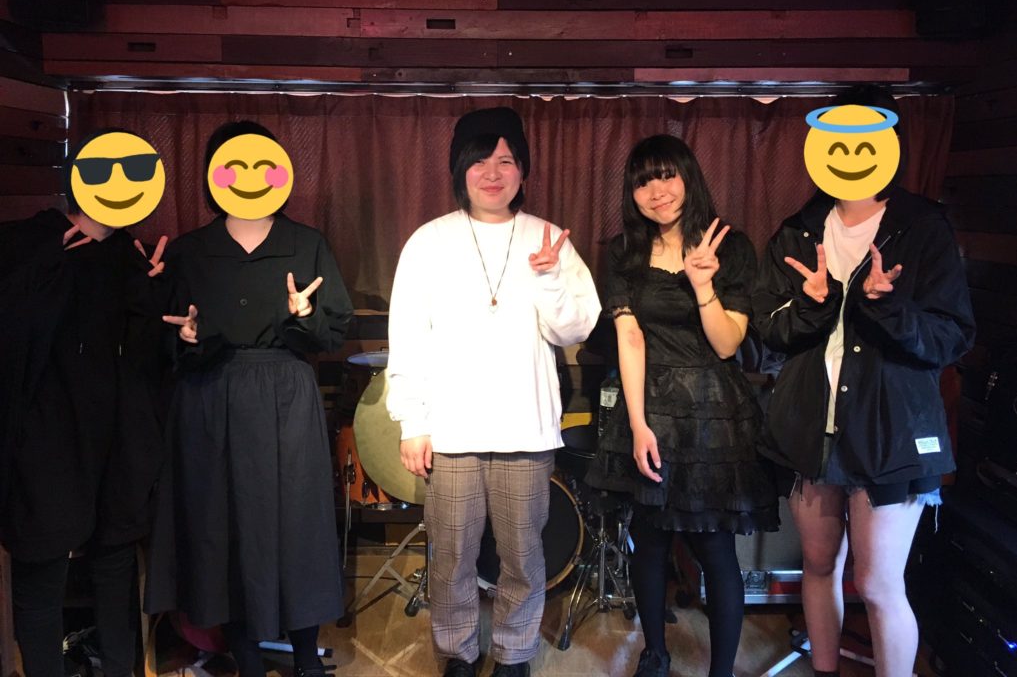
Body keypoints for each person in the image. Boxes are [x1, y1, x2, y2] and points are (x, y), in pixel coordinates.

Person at [753, 86, 975, 677]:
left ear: (890, 143)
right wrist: (812, 305)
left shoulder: (923, 227)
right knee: (818, 565)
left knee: (878, 584)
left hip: (892, 431)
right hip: (811, 427)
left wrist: (889, 306)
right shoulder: (799, 230)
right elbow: (769, 331)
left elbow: (953, 336)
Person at [387, 107, 601, 677]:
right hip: (451, 431)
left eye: (505, 160)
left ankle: (514, 652)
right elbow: (407, 336)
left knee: (524, 556)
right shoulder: (429, 241)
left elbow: (575, 328)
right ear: (460, 169)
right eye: (479, 160)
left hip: (525, 430)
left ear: (522, 171)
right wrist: (413, 422)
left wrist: (549, 277)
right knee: (452, 556)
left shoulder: (548, 238)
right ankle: (458, 653)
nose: (492, 172)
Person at [145, 121, 353, 677]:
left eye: (263, 165)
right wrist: (186, 339)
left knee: (297, 522)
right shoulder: (190, 251)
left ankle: (307, 657)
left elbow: (334, 331)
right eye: (234, 166)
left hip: (286, 394)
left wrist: (304, 318)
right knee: (221, 526)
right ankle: (247, 658)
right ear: (214, 176)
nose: (249, 177)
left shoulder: (307, 243)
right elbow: (164, 339)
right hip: (209, 397)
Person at [586, 134, 778, 677]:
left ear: (688, 177)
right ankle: (655, 654)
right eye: (643, 181)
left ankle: (721, 671)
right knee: (649, 541)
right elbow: (630, 338)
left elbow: (727, 344)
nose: (657, 191)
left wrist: (702, 285)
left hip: (713, 415)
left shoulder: (728, 245)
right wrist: (637, 423)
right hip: (650, 406)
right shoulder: (625, 251)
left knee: (715, 549)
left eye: (666, 175)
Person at [0, 132, 166, 677]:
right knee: (41, 569)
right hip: (46, 441)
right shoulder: (29, 243)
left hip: (116, 441)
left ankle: (119, 668)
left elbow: (143, 355)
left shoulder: (132, 258)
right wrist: (45, 266)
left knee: (115, 563)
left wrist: (159, 305)